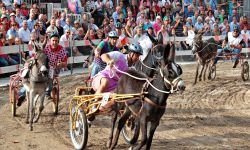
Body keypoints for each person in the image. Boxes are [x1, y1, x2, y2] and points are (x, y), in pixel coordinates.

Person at [18, 32, 68, 106]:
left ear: (58, 41)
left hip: (54, 68)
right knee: (29, 74)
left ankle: (48, 93)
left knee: (51, 74)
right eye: (53, 40)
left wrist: (60, 64)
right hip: (43, 67)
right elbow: (38, 54)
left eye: (56, 41)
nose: (54, 42)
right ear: (50, 41)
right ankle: (22, 94)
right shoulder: (46, 48)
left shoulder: (62, 50)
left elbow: (65, 64)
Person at [91, 43, 143, 111]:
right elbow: (104, 55)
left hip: (114, 87)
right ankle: (94, 106)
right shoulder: (119, 55)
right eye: (137, 55)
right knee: (106, 81)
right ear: (131, 53)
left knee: (121, 96)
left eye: (139, 56)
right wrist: (109, 61)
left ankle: (102, 108)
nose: (138, 58)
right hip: (101, 79)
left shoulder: (133, 69)